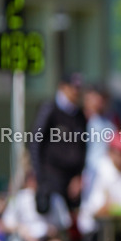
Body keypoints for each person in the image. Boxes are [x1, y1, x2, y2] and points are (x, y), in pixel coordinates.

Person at [29, 73, 88, 217]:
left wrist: (79, 176)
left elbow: (83, 147)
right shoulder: (49, 109)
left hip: (71, 181)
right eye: (73, 87)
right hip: (51, 177)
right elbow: (35, 142)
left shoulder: (79, 115)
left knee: (71, 221)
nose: (76, 92)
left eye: (79, 88)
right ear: (63, 87)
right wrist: (39, 175)